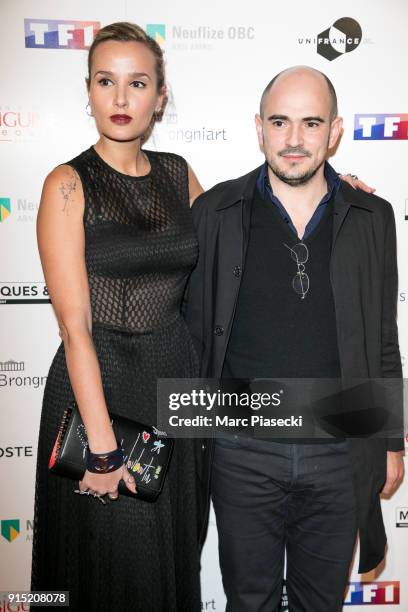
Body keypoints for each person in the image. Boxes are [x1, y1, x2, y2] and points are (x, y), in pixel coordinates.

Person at [185, 66, 405, 611]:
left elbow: (382, 336)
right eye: (280, 122)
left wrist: (393, 442)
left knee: (320, 604)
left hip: (339, 450)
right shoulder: (215, 212)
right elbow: (187, 329)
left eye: (311, 123)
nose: (294, 139)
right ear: (259, 128)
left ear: (334, 131)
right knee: (250, 601)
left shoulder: (372, 216)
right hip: (241, 450)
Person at [30, 22, 205, 611]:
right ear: (88, 90)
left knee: (169, 560)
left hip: (173, 385)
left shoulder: (180, 175)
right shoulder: (67, 184)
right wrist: (103, 447)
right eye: (107, 81)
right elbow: (74, 327)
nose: (122, 99)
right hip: (99, 389)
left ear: (160, 97)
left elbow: (239, 241)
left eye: (138, 83)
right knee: (114, 569)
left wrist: (328, 192)